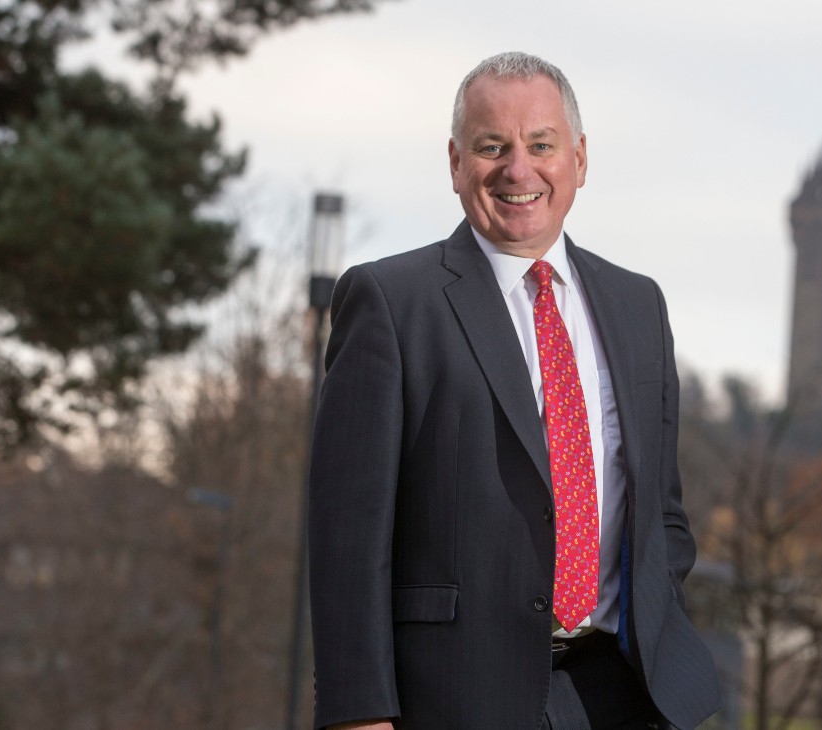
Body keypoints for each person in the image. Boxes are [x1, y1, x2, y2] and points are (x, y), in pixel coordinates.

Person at [308, 51, 721, 730]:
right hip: (452, 699)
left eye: (541, 145)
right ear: (455, 162)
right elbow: (347, 541)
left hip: (622, 697)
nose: (517, 169)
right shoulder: (391, 303)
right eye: (492, 146)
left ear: (579, 160)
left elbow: (662, 513)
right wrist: (360, 715)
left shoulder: (637, 304)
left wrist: (657, 619)